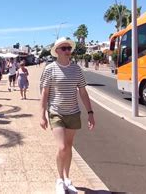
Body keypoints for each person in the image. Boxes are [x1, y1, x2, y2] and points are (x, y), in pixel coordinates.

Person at [39, 37, 95, 194]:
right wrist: (42, 114)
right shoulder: (50, 68)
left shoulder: (76, 69)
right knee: (62, 147)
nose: (67, 51)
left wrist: (90, 112)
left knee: (69, 147)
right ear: (57, 51)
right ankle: (59, 179)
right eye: (64, 48)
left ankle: (67, 178)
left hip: (73, 112)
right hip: (56, 112)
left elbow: (83, 92)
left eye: (69, 48)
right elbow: (45, 92)